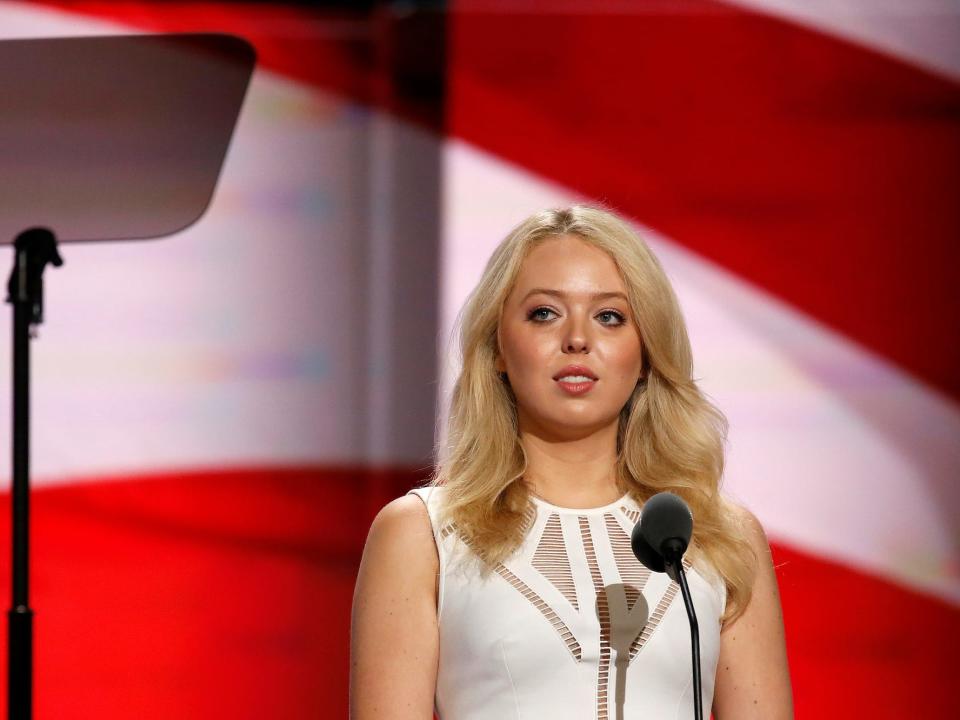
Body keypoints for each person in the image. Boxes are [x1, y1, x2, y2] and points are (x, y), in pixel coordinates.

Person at [350, 205, 793, 719]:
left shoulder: (720, 537)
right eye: (544, 313)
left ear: (646, 351)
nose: (578, 339)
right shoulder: (423, 534)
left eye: (609, 316)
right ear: (497, 347)